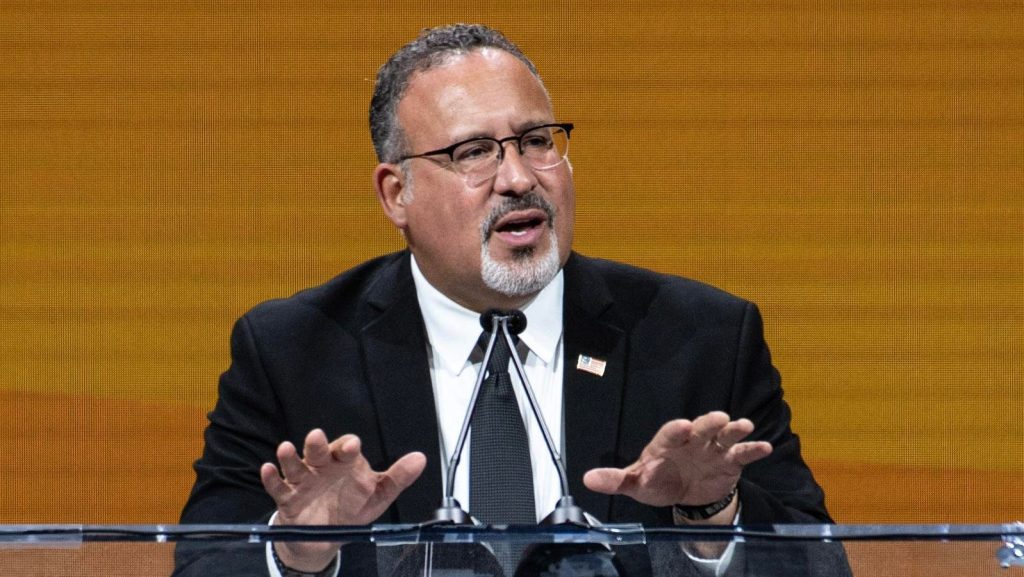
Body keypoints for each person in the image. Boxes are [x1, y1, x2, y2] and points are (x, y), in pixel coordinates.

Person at [176, 24, 844, 577]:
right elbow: (203, 565)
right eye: (474, 152)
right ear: (396, 194)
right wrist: (298, 553)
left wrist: (709, 516)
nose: (519, 178)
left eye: (535, 141)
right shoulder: (291, 352)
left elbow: (822, 565)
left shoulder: (702, 339)